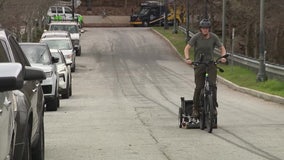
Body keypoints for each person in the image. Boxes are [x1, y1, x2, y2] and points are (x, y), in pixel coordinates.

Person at [184, 19, 227, 119]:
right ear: (200, 29)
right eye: (203, 28)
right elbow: (187, 48)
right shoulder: (196, 37)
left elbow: (222, 48)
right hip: (199, 64)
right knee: (199, 87)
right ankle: (195, 108)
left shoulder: (213, 37)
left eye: (207, 28)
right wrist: (187, 58)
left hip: (210, 64)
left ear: (209, 29)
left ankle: (214, 106)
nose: (205, 30)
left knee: (213, 85)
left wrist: (223, 56)